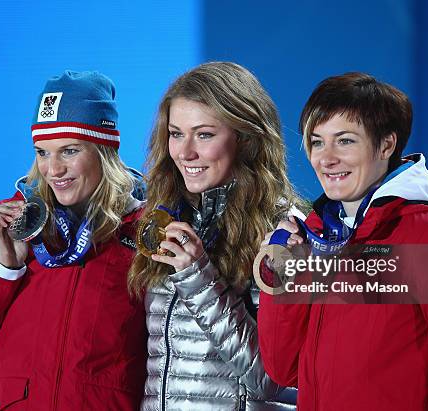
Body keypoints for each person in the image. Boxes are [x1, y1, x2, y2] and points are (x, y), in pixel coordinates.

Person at [257, 72, 428, 410]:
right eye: (317, 141)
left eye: (345, 140)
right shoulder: (318, 235)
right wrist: (283, 275)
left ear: (386, 145)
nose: (326, 158)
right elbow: (283, 369)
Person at [0, 71, 148, 411]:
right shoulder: (6, 222)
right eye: (42, 152)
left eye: (69, 150)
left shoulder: (144, 230)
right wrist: (4, 269)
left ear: (104, 149)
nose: (53, 169)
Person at [128, 62, 301, 410]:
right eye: (176, 133)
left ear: (246, 138)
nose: (185, 151)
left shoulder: (285, 232)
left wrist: (198, 277)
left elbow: (275, 380)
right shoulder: (166, 216)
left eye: (204, 134)